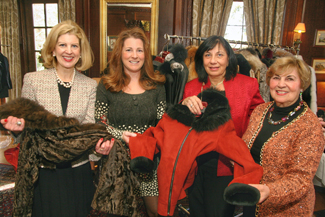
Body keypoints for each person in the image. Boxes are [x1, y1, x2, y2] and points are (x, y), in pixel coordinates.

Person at [0, 20, 113, 217]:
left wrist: (97, 148)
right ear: (52, 49)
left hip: (78, 171)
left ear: (80, 52)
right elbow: (26, 125)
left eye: (74, 46)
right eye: (62, 45)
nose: (68, 51)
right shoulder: (33, 80)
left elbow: (87, 130)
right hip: (43, 172)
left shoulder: (90, 86)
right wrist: (18, 128)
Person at [181, 35, 264, 216]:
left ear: (229, 59)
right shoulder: (191, 87)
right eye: (208, 55)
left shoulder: (247, 85)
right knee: (197, 212)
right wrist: (184, 105)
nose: (213, 61)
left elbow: (261, 117)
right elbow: (181, 127)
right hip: (195, 164)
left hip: (227, 164)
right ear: (201, 59)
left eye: (219, 55)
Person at [95, 27, 166, 217]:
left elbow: (162, 123)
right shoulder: (106, 85)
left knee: (156, 211)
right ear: (120, 53)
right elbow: (100, 121)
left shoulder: (157, 85)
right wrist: (121, 135)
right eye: (129, 50)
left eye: (139, 50)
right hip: (116, 159)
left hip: (148, 160)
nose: (134, 55)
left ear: (145, 54)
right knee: (119, 211)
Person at [243, 56, 325, 216]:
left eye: (290, 78)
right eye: (276, 78)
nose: (281, 84)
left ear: (302, 85)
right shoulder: (260, 111)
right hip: (252, 198)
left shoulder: (309, 125)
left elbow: (301, 179)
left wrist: (268, 191)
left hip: (287, 209)